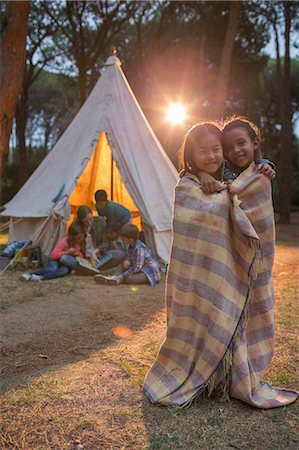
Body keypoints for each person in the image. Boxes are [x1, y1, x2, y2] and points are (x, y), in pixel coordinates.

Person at [143, 121, 297, 409]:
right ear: (191, 155)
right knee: (205, 317)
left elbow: (245, 192)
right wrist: (201, 176)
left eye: (218, 150)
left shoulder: (247, 178)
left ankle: (226, 379)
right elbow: (193, 226)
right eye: (205, 152)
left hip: (233, 270)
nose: (214, 156)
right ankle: (204, 377)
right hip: (201, 274)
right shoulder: (187, 185)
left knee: (230, 316)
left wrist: (264, 164)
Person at [196, 116, 276, 194]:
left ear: (254, 144)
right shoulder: (223, 169)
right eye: (229, 148)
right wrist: (201, 174)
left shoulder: (262, 168)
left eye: (241, 143)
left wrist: (267, 166)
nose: (236, 150)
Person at [94, 223, 161, 286]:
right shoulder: (131, 246)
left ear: (131, 239)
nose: (122, 240)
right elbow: (129, 256)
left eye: (124, 239)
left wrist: (123, 275)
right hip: (140, 270)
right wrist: (127, 260)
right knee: (122, 265)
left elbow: (137, 267)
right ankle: (113, 277)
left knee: (128, 279)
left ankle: (118, 279)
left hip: (148, 272)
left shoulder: (139, 249)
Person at [20, 222, 85, 281]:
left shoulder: (78, 244)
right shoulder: (64, 242)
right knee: (53, 268)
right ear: (72, 237)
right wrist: (66, 252)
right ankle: (30, 275)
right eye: (79, 238)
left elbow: (81, 258)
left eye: (82, 237)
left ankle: (41, 277)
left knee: (64, 271)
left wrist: (77, 254)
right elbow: (53, 256)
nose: (81, 239)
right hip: (55, 260)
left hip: (64, 264)